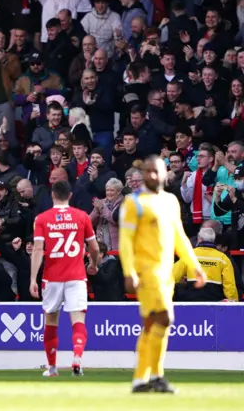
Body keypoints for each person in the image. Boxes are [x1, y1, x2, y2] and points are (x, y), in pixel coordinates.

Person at [119, 156, 206, 393]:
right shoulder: (133, 203)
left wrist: (194, 265)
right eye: (148, 172)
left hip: (166, 272)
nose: (153, 176)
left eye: (157, 172)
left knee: (154, 324)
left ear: (165, 173)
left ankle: (144, 377)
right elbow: (125, 241)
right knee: (165, 317)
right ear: (143, 174)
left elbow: (179, 237)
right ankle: (152, 376)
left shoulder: (170, 201)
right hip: (146, 272)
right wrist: (129, 272)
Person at [30, 179, 100, 377]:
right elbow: (94, 247)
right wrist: (93, 264)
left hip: (51, 277)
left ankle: (52, 367)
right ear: (70, 196)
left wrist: (32, 279)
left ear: (52, 195)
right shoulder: (82, 216)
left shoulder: (42, 218)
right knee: (78, 319)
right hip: (76, 276)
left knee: (51, 321)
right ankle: (77, 357)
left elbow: (37, 249)